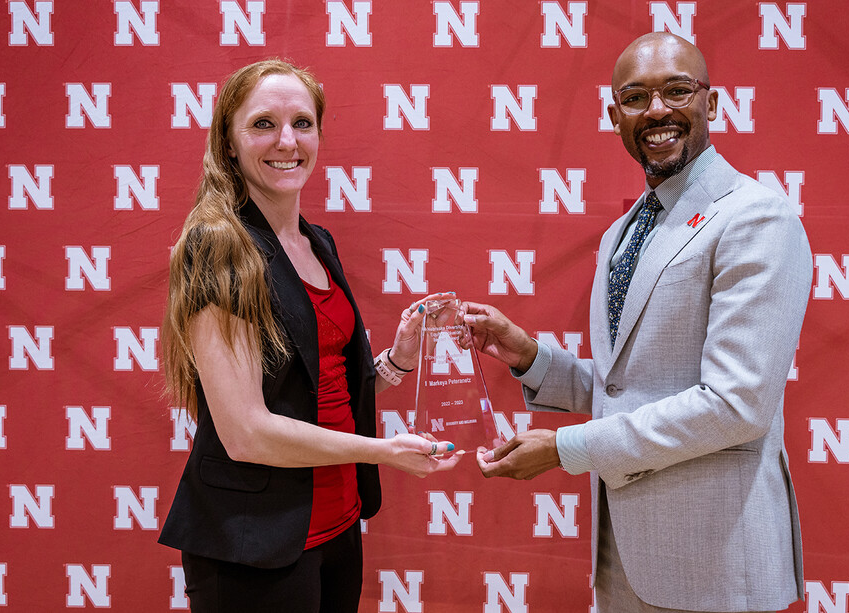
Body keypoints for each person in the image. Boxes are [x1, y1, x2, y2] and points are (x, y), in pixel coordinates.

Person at [462, 33, 811, 613]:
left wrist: (566, 447)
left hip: (715, 567)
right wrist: (528, 355)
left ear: (713, 103)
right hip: (621, 560)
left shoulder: (756, 217)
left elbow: (736, 406)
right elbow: (631, 387)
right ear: (613, 114)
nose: (656, 111)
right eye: (635, 97)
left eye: (677, 91)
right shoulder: (622, 232)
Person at [158, 59, 461, 613]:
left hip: (337, 526)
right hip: (256, 544)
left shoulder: (317, 241)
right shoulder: (218, 247)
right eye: (262, 124)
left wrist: (399, 359)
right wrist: (384, 452)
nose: (286, 141)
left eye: (302, 122)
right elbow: (247, 432)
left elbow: (317, 393)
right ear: (228, 141)